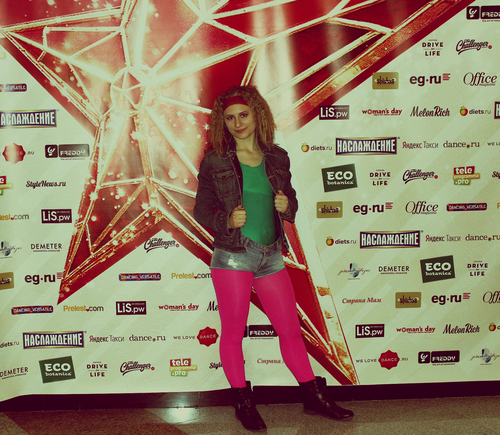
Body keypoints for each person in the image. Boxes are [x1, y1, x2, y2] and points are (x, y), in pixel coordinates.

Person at [193, 85, 353, 432]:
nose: (238, 123)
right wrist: (225, 219)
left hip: (271, 256)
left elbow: (290, 200)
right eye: (230, 118)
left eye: (243, 115)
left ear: (257, 115)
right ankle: (243, 402)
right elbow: (201, 209)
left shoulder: (277, 157)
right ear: (223, 123)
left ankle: (313, 396)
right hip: (234, 256)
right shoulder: (216, 160)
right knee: (233, 333)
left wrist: (286, 205)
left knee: (291, 331)